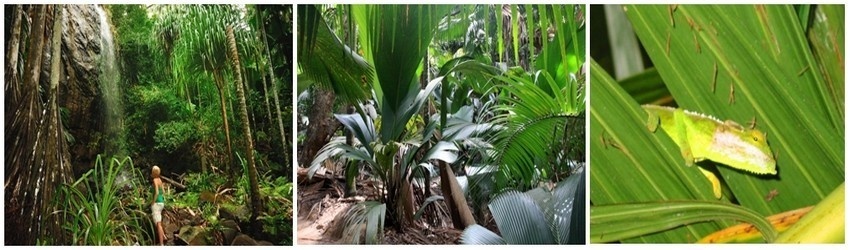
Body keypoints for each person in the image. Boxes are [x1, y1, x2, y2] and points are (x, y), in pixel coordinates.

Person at [151, 165, 166, 245]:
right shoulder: (160, 180)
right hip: (161, 202)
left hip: (156, 203)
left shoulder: (155, 180)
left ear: (153, 172)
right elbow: (163, 192)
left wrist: (153, 201)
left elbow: (156, 192)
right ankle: (163, 236)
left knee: (158, 224)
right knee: (158, 221)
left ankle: (161, 244)